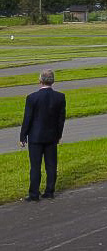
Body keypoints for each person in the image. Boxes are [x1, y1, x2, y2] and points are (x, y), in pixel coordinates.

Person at [20, 69, 66, 201]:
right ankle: (49, 191)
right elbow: (60, 120)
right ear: (53, 81)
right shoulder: (60, 97)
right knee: (51, 165)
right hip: (52, 136)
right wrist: (58, 135)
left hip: (35, 137)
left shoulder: (32, 98)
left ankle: (34, 194)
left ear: (40, 81)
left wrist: (23, 137)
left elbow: (27, 119)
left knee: (35, 166)